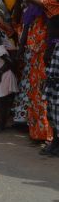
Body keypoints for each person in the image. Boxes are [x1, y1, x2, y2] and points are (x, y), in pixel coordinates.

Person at [12, 0, 57, 143]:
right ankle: (36, 131)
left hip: (44, 46)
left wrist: (48, 47)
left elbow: (51, 12)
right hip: (34, 45)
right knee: (34, 90)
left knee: (42, 91)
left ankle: (46, 133)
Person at [41, 14, 59, 156]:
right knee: (52, 115)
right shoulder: (55, 46)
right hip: (53, 87)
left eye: (52, 30)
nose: (49, 33)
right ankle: (55, 141)